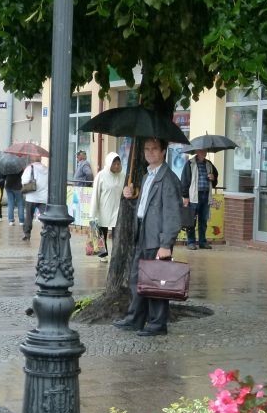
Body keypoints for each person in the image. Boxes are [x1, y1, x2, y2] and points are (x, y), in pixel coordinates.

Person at [113, 138, 182, 337]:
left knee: (156, 281)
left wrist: (166, 244)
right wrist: (130, 198)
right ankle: (135, 318)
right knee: (137, 278)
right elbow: (145, 209)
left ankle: (157, 323)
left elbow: (172, 214)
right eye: (146, 149)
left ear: (163, 152)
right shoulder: (147, 176)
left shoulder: (167, 179)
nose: (150, 153)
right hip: (143, 232)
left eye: (154, 149)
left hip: (157, 237)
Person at [90, 152, 125, 262]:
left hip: (117, 209)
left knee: (117, 233)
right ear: (109, 163)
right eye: (114, 164)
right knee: (102, 232)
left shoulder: (123, 176)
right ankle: (102, 255)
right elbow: (95, 194)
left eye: (118, 164)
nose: (116, 166)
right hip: (103, 209)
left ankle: (116, 254)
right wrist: (93, 213)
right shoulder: (101, 175)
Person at [180, 149, 218, 250]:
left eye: (205, 151)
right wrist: (186, 196)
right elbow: (184, 180)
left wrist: (213, 178)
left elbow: (215, 178)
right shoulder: (190, 164)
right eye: (201, 151)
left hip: (206, 195)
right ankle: (191, 242)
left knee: (203, 220)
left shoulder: (209, 164)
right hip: (193, 196)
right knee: (191, 221)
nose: (204, 152)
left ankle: (202, 242)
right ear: (197, 151)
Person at [21, 156, 48, 241]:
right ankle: (47, 230)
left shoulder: (29, 168)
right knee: (45, 215)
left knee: (29, 216)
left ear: (32, 160)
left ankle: (27, 234)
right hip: (43, 197)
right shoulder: (46, 169)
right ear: (41, 159)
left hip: (31, 197)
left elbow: (24, 181)